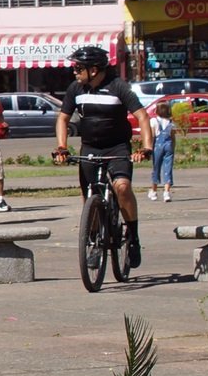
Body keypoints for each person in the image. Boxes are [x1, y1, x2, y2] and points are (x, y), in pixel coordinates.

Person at [52, 44, 151, 270]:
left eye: (79, 67)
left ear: (94, 70)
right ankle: (95, 242)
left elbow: (143, 117)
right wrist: (62, 147)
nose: (74, 72)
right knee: (90, 198)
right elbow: (63, 119)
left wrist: (145, 148)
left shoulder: (119, 87)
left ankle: (133, 238)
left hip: (117, 148)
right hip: (90, 148)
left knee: (122, 187)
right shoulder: (76, 89)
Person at [147, 101, 177, 200]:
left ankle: (154, 192)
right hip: (168, 145)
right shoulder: (171, 122)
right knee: (167, 168)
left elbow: (152, 136)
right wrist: (173, 147)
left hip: (157, 146)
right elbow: (173, 137)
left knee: (156, 168)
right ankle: (166, 192)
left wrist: (149, 148)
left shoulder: (154, 121)